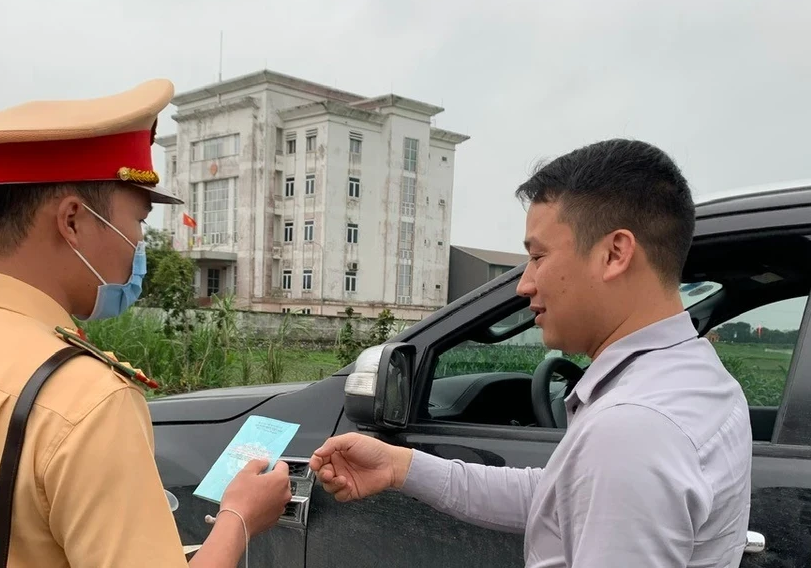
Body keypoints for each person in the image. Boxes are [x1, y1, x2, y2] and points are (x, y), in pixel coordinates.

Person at [0, 79, 292, 568]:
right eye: (136, 223)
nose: (138, 246)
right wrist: (239, 518)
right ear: (72, 220)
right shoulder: (85, 402)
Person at [310, 139, 753, 567]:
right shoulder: (698, 377)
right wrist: (401, 465)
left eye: (538, 256)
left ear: (615, 254)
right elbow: (561, 497)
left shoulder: (633, 429)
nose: (524, 284)